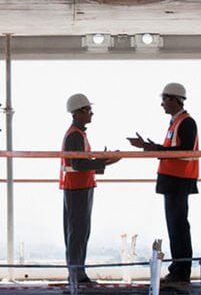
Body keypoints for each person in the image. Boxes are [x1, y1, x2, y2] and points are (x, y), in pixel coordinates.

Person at [128, 83, 200, 290]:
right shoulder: (176, 122)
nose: (162, 104)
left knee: (178, 226)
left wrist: (152, 148)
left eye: (164, 99)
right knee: (175, 226)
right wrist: (150, 147)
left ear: (174, 99)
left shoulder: (186, 122)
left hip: (179, 179)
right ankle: (178, 270)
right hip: (173, 179)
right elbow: (173, 150)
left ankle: (181, 271)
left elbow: (183, 151)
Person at [61, 93, 120, 286]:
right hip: (77, 188)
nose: (91, 114)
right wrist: (105, 160)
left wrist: (103, 161)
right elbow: (78, 164)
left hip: (80, 187)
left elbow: (79, 163)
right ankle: (77, 275)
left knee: (79, 231)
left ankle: (78, 273)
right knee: (78, 231)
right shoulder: (75, 135)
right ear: (78, 112)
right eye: (88, 110)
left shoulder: (78, 134)